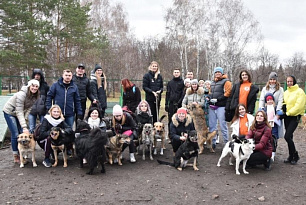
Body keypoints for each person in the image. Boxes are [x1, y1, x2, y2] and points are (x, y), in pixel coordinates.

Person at [3, 79, 40, 163]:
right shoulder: (21, 94)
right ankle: (16, 156)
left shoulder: (35, 96)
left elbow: (28, 109)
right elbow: (19, 111)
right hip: (10, 112)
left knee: (22, 132)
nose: (34, 88)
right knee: (16, 133)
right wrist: (24, 126)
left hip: (19, 113)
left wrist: (25, 120)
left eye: (36, 86)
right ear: (29, 86)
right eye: (33, 86)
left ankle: (23, 153)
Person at [283, 76, 306, 165]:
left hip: (294, 116)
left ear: (294, 81)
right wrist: (284, 106)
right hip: (287, 117)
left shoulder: (300, 92)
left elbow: (299, 106)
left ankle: (295, 155)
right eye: (287, 81)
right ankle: (290, 156)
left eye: (290, 81)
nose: (289, 83)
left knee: (287, 136)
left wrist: (289, 112)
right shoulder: (286, 92)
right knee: (290, 137)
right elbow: (284, 101)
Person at [208, 67, 232, 147]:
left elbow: (228, 92)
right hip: (212, 106)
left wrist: (219, 99)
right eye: (216, 72)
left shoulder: (226, 82)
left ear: (222, 73)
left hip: (221, 106)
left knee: (222, 125)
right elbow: (210, 92)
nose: (217, 73)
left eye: (219, 72)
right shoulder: (212, 82)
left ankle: (226, 142)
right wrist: (209, 98)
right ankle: (213, 142)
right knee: (212, 125)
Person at [28, 68, 49, 133]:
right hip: (31, 109)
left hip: (42, 109)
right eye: (35, 75)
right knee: (31, 128)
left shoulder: (45, 86)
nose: (37, 76)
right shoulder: (29, 85)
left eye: (38, 75)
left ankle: (42, 142)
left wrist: (47, 107)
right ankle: (32, 142)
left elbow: (48, 97)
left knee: (43, 127)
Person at [165, 68, 185, 138]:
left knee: (180, 119)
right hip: (171, 103)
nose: (176, 73)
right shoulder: (170, 83)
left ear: (180, 73)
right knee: (170, 119)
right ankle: (170, 135)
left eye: (177, 72)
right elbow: (167, 93)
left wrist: (179, 102)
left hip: (179, 104)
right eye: (175, 72)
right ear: (173, 73)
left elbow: (183, 93)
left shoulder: (182, 82)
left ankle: (179, 135)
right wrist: (166, 104)